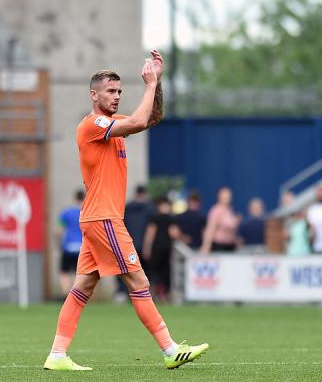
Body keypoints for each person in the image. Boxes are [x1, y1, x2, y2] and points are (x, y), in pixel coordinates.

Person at [43, 52, 209, 371]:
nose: (117, 96)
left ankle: (58, 354)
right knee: (138, 280)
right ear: (94, 94)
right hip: (104, 218)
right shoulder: (93, 125)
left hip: (97, 218)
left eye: (120, 91)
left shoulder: (113, 125)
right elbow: (137, 121)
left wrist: (156, 83)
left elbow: (149, 118)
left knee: (82, 288)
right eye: (111, 91)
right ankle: (169, 349)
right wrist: (147, 84)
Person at [142, 196, 181, 301]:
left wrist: (146, 248)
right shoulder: (170, 219)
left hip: (156, 249)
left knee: (154, 272)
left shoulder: (155, 218)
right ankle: (162, 294)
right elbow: (173, 233)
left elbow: (150, 234)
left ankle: (152, 294)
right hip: (166, 249)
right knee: (164, 273)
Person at [57, 190, 85, 297]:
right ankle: (76, 295)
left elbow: (59, 231)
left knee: (64, 272)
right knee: (78, 273)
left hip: (68, 247)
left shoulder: (66, 213)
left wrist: (59, 244)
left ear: (74, 198)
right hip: (82, 247)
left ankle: (66, 294)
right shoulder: (87, 212)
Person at [200, 186, 239, 253]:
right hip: (219, 246)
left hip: (229, 245)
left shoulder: (229, 210)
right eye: (225, 195)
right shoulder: (216, 210)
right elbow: (210, 229)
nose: (227, 197)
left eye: (228, 195)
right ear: (219, 197)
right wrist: (206, 246)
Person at [281, 191, 311, 257]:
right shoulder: (286, 220)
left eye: (288, 199)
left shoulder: (304, 222)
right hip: (292, 251)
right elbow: (286, 236)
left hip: (303, 251)